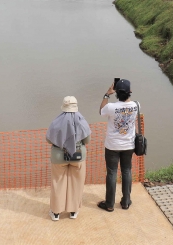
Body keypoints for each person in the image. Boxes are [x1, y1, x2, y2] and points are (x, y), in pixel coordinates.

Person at [46, 96, 91, 221]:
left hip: (58, 156)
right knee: (76, 183)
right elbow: (87, 140)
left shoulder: (56, 122)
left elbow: (48, 139)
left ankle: (56, 213)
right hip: (77, 156)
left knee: (58, 183)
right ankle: (73, 211)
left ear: (63, 106)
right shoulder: (82, 121)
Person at [97, 79, 138, 212]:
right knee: (127, 171)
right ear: (130, 92)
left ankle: (109, 204)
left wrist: (107, 94)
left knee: (112, 173)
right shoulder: (136, 105)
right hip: (128, 145)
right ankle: (126, 202)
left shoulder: (111, 107)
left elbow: (101, 111)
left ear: (116, 93)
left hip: (112, 146)